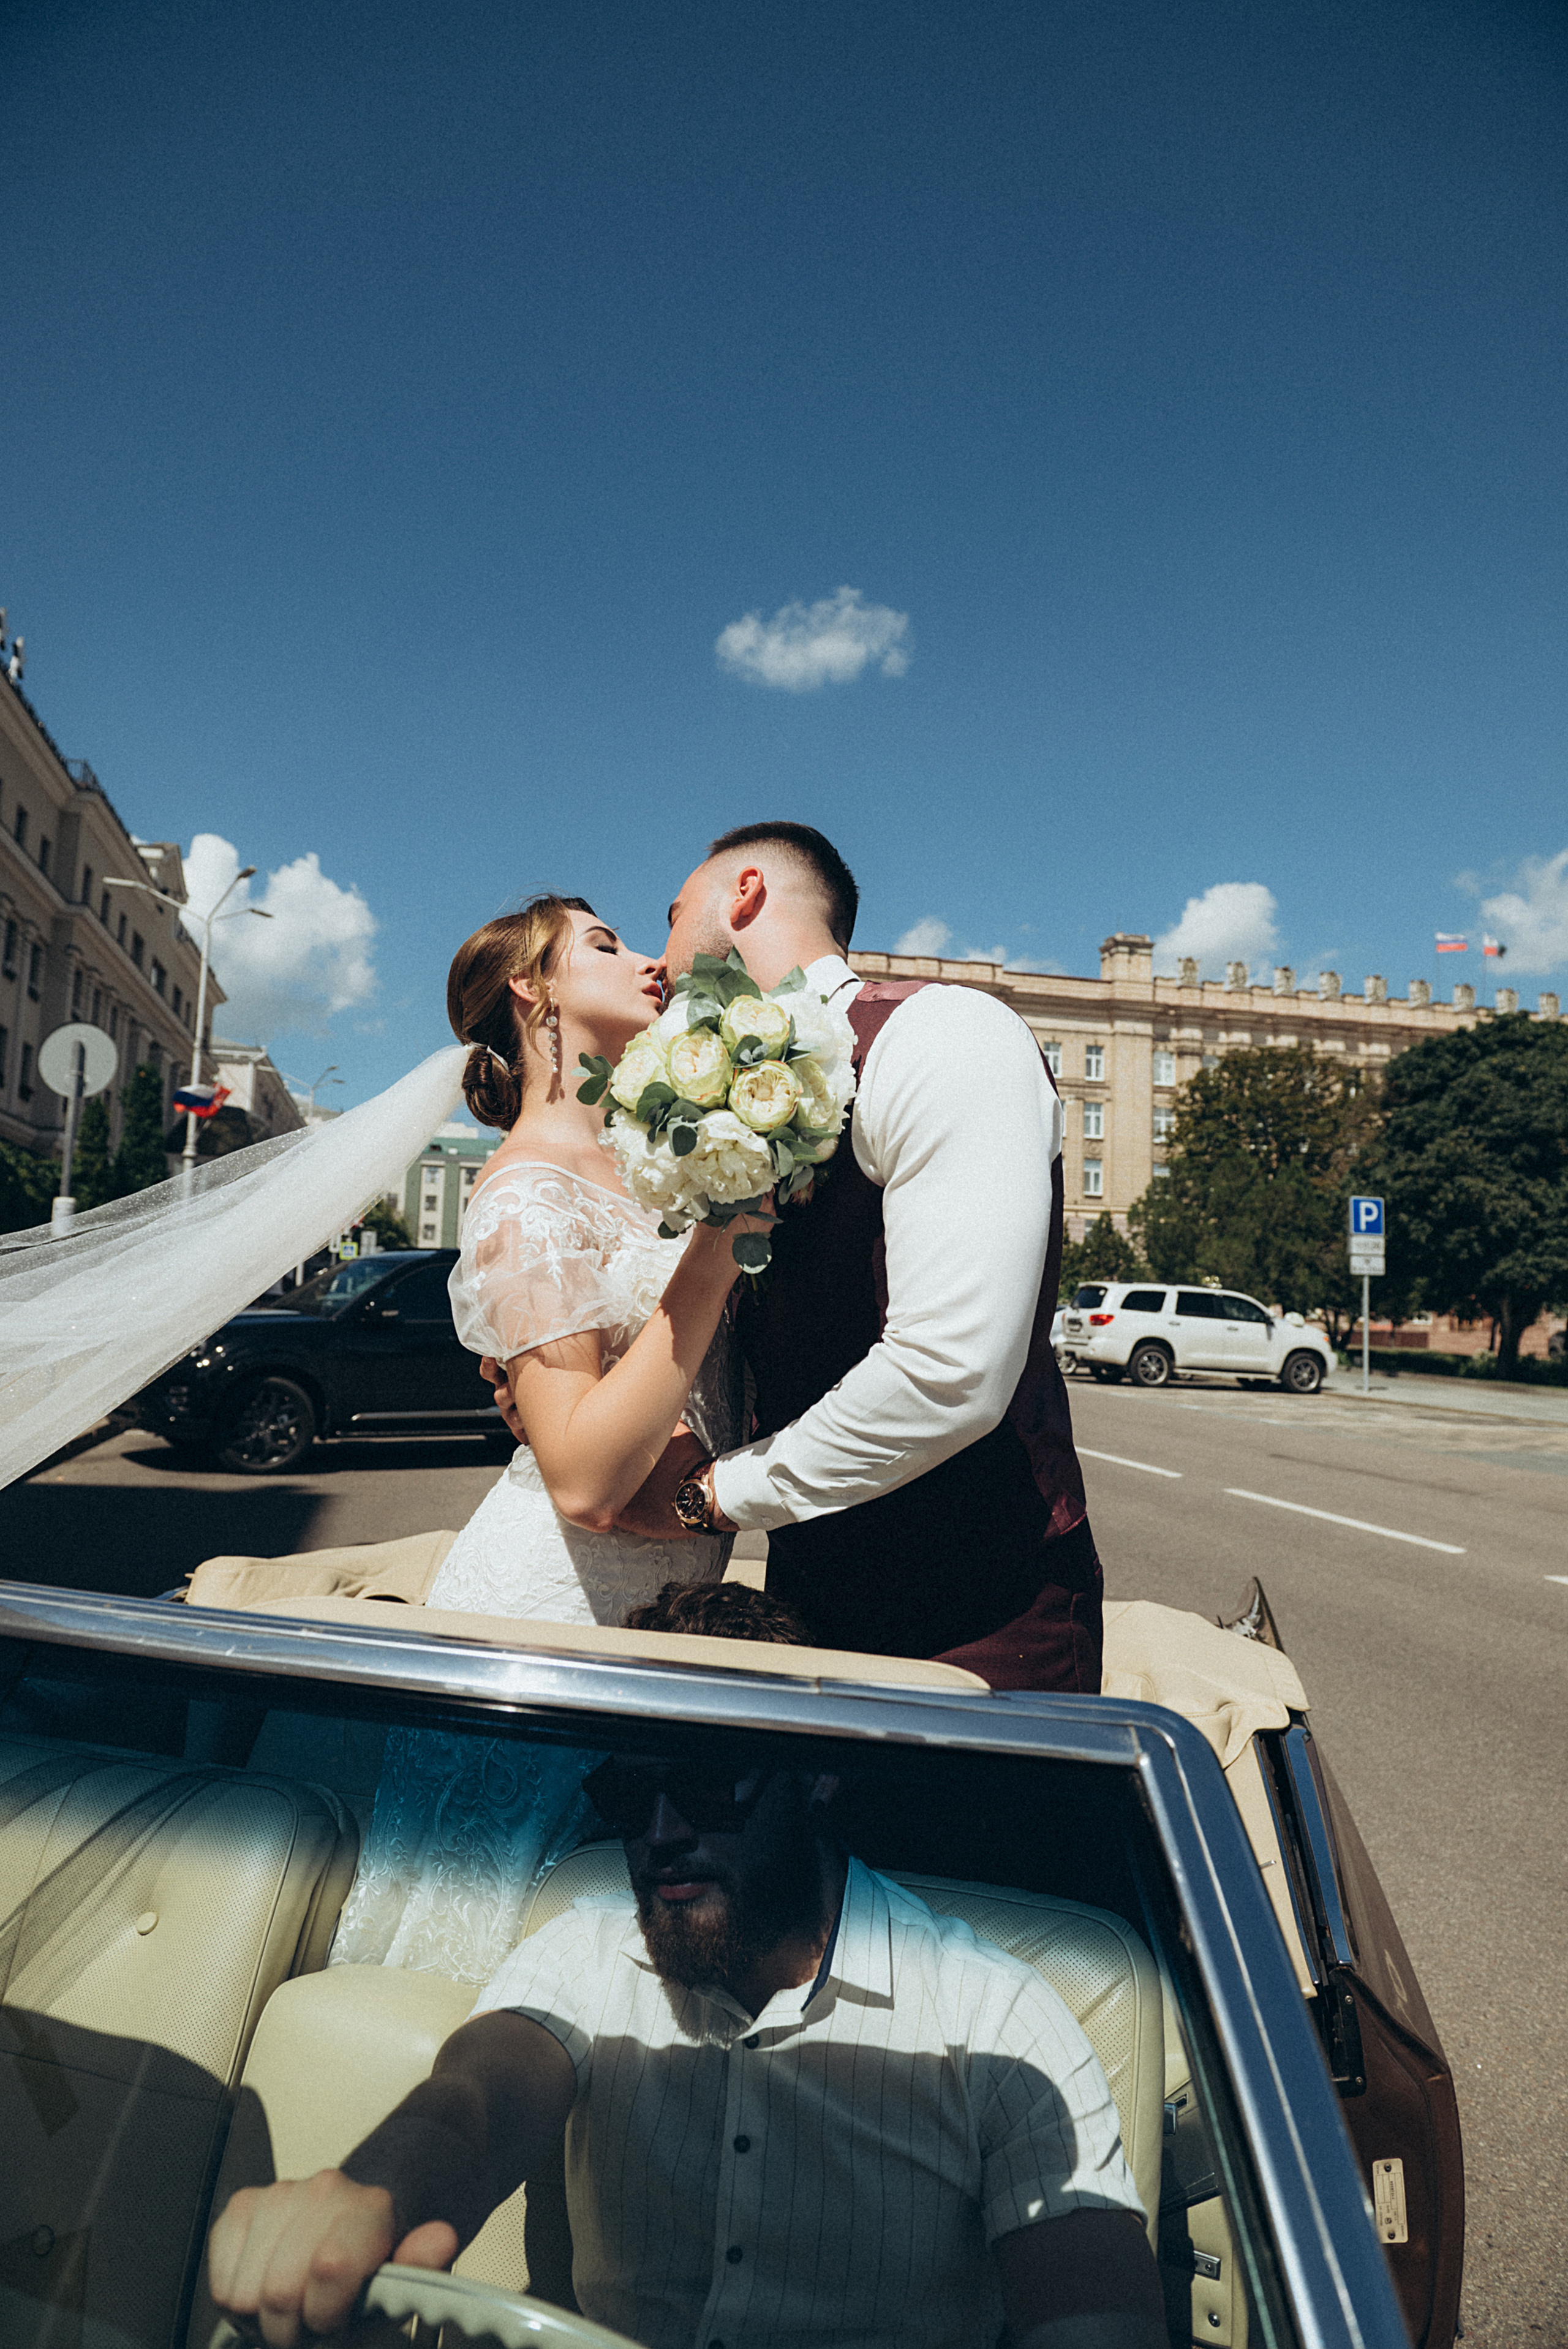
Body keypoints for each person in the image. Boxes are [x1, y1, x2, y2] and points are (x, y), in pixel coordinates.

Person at [208, 1749, 1164, 2349]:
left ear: (816, 1775)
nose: (661, 1834)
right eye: (630, 1793)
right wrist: (374, 2192)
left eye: (708, 1783)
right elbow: (478, 2099)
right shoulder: (584, 1954)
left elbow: (1095, 2323)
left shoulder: (996, 2018)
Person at [489, 824, 1103, 1692]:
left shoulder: (942, 1034)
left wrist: (709, 1496)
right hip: (806, 1600)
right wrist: (574, 1391)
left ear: (743, 894)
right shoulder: (697, 1109)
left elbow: (950, 1372)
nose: (658, 960)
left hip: (980, 1611)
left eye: (671, 917)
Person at [329, 895, 764, 1978]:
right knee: (487, 1954)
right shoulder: (525, 1191)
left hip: (655, 1617)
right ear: (534, 989)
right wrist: (719, 1247)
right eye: (606, 946)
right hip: (551, 1613)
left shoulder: (650, 1162)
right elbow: (581, 1478)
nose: (648, 962)